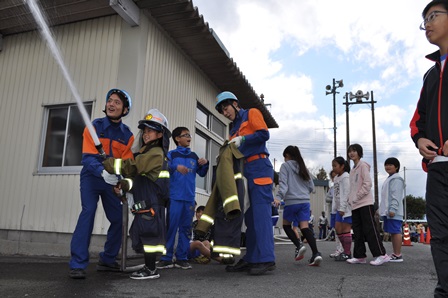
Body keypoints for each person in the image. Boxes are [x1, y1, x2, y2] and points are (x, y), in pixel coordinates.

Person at [69, 89, 134, 279]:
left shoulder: (127, 135)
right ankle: (78, 263)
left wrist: (123, 184)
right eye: (110, 101)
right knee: (88, 212)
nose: (111, 105)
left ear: (125, 109)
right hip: (91, 177)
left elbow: (128, 164)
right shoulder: (93, 126)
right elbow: (88, 158)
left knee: (119, 219)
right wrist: (102, 172)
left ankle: (107, 260)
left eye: (117, 103)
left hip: (111, 182)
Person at [103, 108, 171, 280]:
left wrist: (109, 163)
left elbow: (132, 167)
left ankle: (150, 270)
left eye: (150, 130)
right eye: (145, 130)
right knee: (146, 235)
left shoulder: (155, 153)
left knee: (150, 237)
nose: (146, 134)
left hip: (151, 204)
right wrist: (124, 185)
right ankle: (150, 267)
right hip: (146, 204)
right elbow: (138, 180)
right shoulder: (148, 153)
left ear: (160, 134)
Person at [215, 91, 276, 275]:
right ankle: (251, 258)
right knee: (249, 217)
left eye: (225, 108)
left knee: (261, 216)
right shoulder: (233, 127)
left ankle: (266, 259)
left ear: (234, 103)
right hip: (243, 171)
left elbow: (264, 134)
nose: (225, 113)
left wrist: (243, 139)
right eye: (222, 111)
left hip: (259, 166)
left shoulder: (251, 113)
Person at [411, 1, 448, 294]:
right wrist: (420, 139)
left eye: (434, 16)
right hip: (437, 168)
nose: (428, 24)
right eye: (424, 20)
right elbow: (418, 121)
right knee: (440, 235)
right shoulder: (430, 74)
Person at [157, 127, 209, 270]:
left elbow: (202, 173)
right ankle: (166, 258)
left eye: (189, 135)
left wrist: (205, 163)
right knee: (171, 228)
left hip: (189, 199)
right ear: (177, 139)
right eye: (185, 135)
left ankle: (182, 258)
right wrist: (175, 167)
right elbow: (163, 167)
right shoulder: (171, 155)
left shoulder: (193, 156)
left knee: (186, 229)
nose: (189, 137)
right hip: (175, 197)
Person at [274, 145, 322, 266]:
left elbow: (283, 185)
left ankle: (299, 245)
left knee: (286, 226)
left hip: (291, 201)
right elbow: (311, 187)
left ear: (287, 155)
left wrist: (278, 197)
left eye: (284, 157)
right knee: (305, 227)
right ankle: (316, 253)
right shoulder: (303, 167)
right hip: (305, 202)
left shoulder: (285, 166)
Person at [346, 144, 389, 266]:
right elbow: (352, 188)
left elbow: (367, 184)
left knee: (370, 229)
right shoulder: (353, 169)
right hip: (355, 205)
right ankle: (360, 256)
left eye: (354, 151)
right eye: (350, 151)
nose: (351, 153)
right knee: (358, 231)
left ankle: (381, 254)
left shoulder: (363, 166)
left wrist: (356, 197)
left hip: (365, 203)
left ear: (359, 152)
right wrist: (351, 200)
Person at [379, 157, 405, 263]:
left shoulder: (396, 179)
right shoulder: (390, 178)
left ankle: (398, 254)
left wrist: (393, 208)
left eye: (390, 165)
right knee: (393, 232)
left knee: (395, 232)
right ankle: (395, 253)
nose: (388, 167)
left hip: (394, 211)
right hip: (389, 211)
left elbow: (396, 195)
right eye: (386, 165)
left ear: (397, 167)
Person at [331, 156, 352, 262]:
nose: (333, 168)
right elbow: (336, 195)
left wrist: (343, 208)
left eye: (335, 166)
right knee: (338, 230)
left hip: (346, 209)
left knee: (345, 230)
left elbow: (346, 193)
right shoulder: (336, 178)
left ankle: (347, 253)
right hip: (338, 208)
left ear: (342, 166)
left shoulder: (346, 177)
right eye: (332, 166)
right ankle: (346, 251)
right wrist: (335, 208)